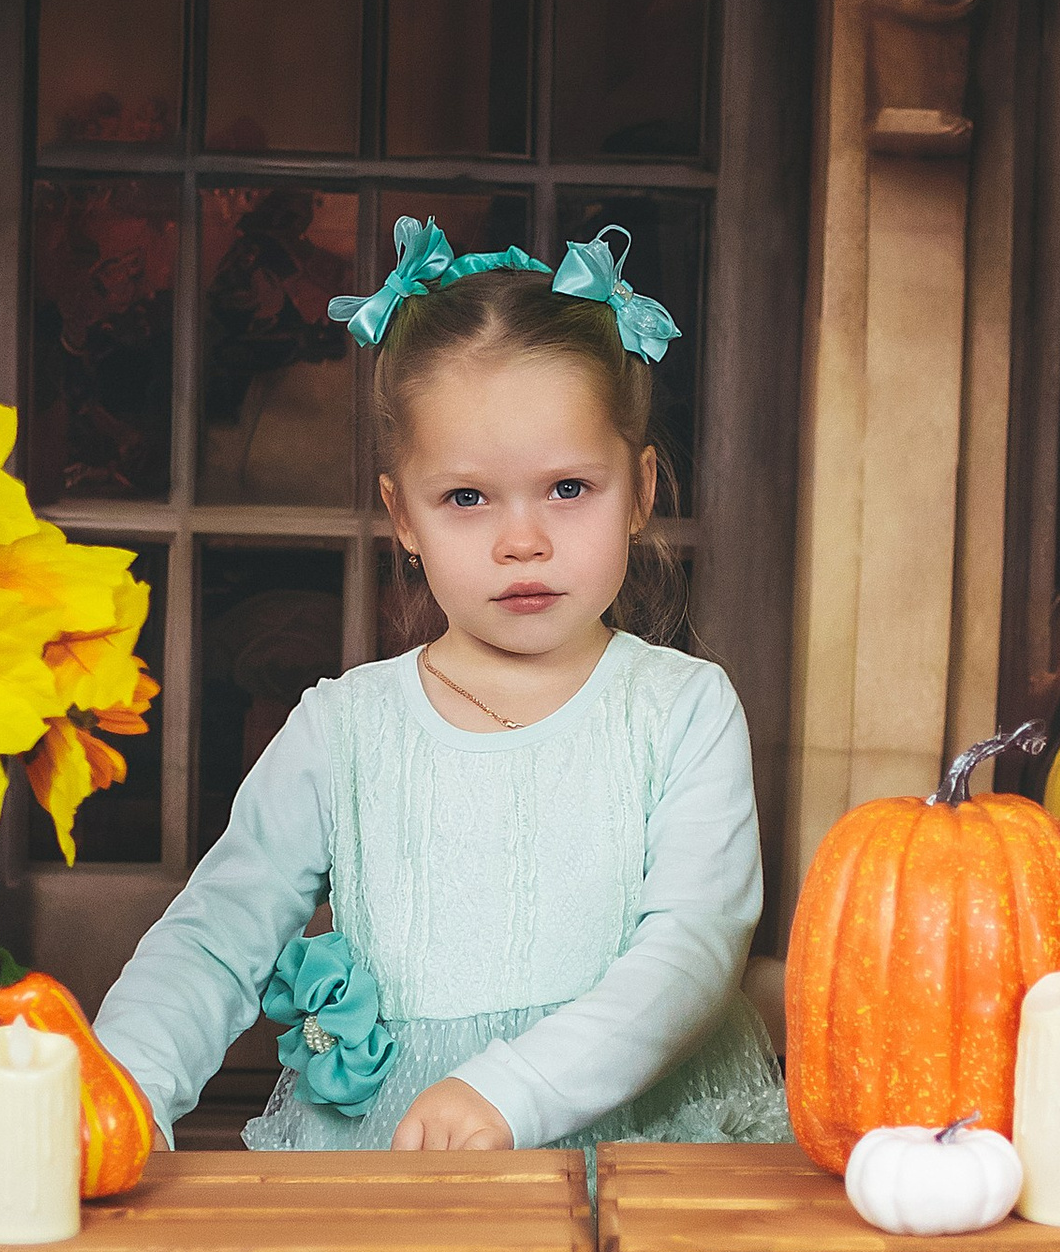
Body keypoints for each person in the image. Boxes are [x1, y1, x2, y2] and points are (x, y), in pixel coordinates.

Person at [93, 218, 793, 1158]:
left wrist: (518, 1087)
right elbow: (216, 935)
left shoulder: (680, 710)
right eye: (467, 498)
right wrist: (115, 1094)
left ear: (642, 490)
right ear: (403, 517)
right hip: (405, 1163)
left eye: (570, 489)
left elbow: (695, 947)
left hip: (644, 1149)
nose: (522, 540)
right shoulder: (344, 729)